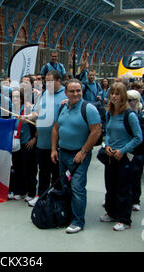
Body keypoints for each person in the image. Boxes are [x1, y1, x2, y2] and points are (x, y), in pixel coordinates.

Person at [51, 79, 102, 233]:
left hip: (79, 155)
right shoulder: (62, 108)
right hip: (63, 153)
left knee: (77, 187)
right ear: (66, 92)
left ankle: (78, 221)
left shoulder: (89, 109)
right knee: (66, 186)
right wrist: (54, 149)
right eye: (72, 91)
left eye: (78, 90)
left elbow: (96, 131)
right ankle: (67, 214)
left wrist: (84, 151)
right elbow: (55, 129)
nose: (76, 94)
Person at [21, 70, 67, 207]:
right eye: (46, 82)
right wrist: (27, 117)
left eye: (50, 81)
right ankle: (41, 195)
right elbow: (37, 111)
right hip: (42, 142)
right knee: (43, 171)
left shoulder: (66, 94)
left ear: (59, 80)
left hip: (57, 144)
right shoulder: (45, 93)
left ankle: (57, 198)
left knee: (57, 173)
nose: (47, 84)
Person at [100, 82, 142, 231]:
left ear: (123, 96)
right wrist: (108, 145)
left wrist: (123, 150)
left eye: (117, 93)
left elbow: (138, 137)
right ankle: (111, 212)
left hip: (124, 157)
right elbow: (109, 132)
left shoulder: (129, 115)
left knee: (123, 188)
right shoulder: (109, 113)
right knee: (110, 185)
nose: (113, 96)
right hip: (111, 155)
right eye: (112, 93)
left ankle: (124, 219)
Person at [8, 88, 36, 201]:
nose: (15, 99)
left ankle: (31, 191)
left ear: (22, 98)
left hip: (26, 143)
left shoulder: (28, 109)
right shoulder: (10, 109)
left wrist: (34, 138)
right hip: (15, 144)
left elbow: (37, 124)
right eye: (13, 97)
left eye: (17, 97)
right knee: (17, 168)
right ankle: (20, 190)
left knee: (28, 169)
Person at [127, 90, 144, 211]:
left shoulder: (142, 117)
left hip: (139, 151)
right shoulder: (123, 115)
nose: (128, 102)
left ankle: (135, 200)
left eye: (131, 100)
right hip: (127, 151)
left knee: (136, 175)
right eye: (126, 100)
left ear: (137, 101)